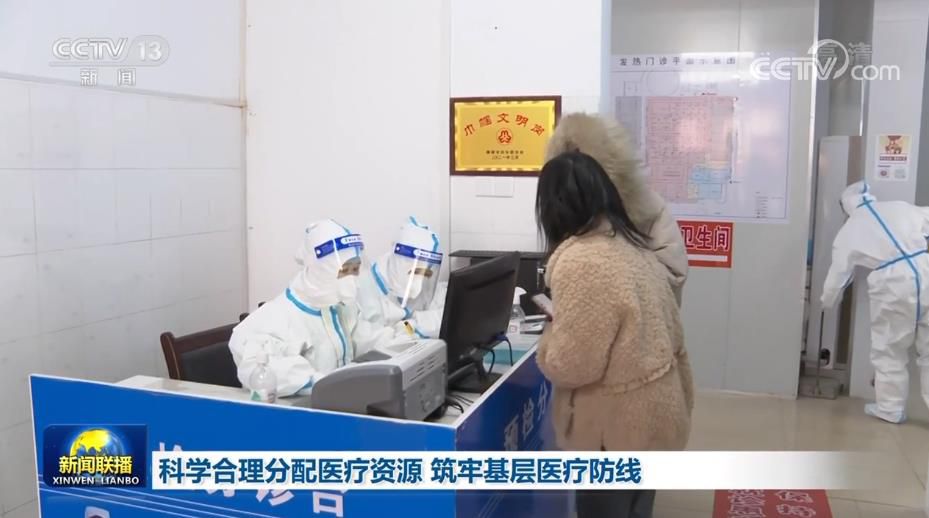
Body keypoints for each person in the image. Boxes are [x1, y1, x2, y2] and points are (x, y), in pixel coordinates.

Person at [535, 151, 694, 518]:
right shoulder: (631, 245)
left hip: (614, 432)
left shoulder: (581, 261)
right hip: (656, 414)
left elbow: (573, 365)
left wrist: (550, 337)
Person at [229, 219, 391, 397]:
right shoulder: (275, 318)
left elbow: (366, 338)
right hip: (297, 410)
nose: (353, 279)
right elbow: (257, 369)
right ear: (320, 269)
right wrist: (319, 382)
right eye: (344, 270)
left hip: (338, 403)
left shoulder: (338, 307)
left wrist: (405, 336)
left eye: (356, 269)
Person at [544, 113, 688, 305]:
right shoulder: (564, 207)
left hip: (641, 314)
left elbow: (673, 272)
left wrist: (611, 275)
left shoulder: (647, 206)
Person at [821, 181, 929, 424]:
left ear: (846, 206)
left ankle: (890, 409)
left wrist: (827, 301)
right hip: (925, 268)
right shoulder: (900, 207)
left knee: (889, 350)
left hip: (892, 284)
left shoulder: (849, 231)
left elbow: (838, 275)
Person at [356, 217, 446, 341]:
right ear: (401, 263)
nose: (419, 282)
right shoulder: (365, 289)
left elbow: (446, 313)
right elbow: (373, 342)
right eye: (415, 271)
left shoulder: (413, 284)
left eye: (425, 273)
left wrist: (413, 325)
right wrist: (411, 329)